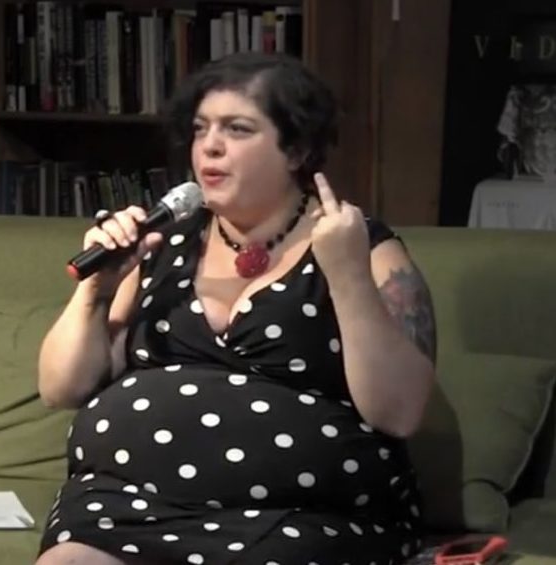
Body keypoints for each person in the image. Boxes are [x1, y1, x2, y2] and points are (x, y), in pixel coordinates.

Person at [35, 51, 436, 565]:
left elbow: (400, 412)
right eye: (200, 129)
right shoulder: (161, 245)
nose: (210, 146)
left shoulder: (362, 247)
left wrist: (347, 275)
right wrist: (96, 291)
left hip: (303, 515)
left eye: (238, 129)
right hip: (125, 505)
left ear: (297, 150)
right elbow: (60, 389)